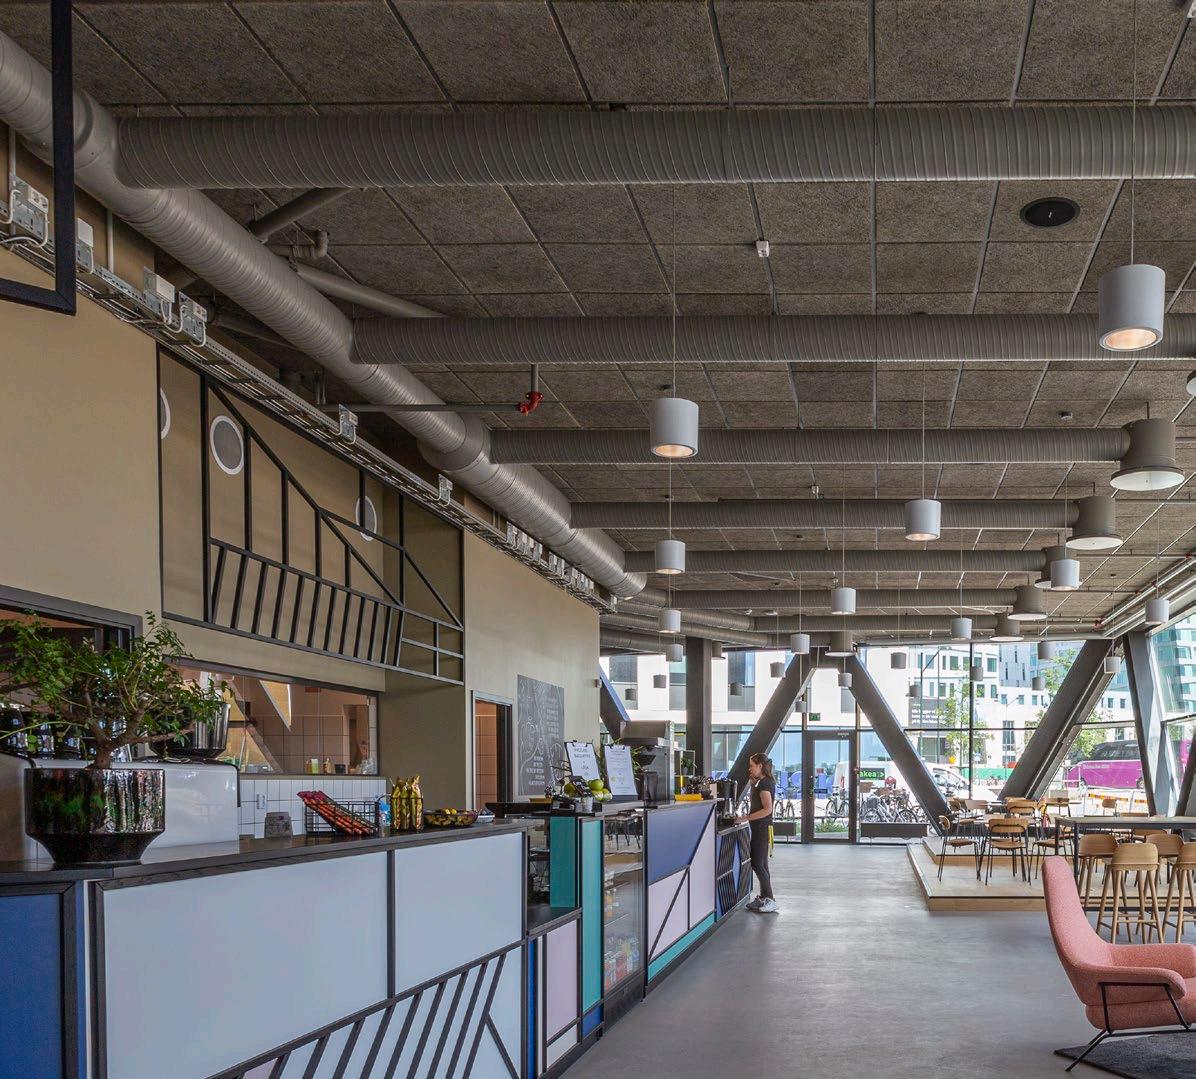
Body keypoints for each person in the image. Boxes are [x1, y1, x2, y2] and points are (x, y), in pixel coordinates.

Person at [738, 752, 778, 913]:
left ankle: (770, 899)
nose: (749, 769)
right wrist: (752, 784)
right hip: (760, 828)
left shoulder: (765, 784)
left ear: (760, 766)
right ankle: (763, 897)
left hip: (762, 828)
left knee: (757, 863)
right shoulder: (761, 782)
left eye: (752, 766)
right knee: (762, 864)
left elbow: (767, 809)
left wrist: (744, 818)